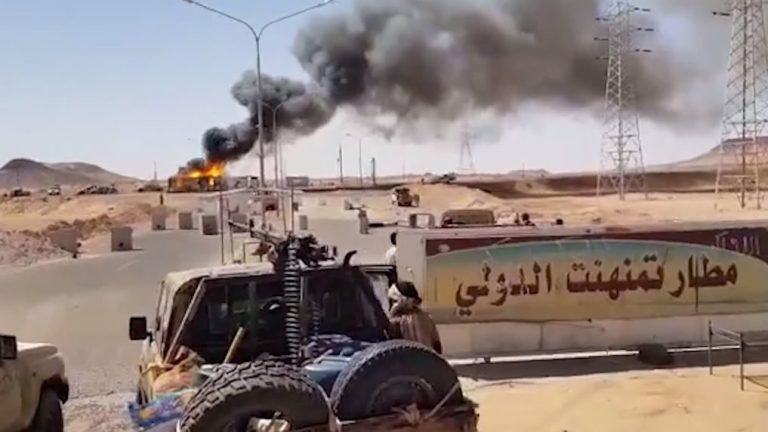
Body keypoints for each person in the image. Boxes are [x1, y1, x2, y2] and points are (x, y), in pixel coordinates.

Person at [387, 281, 443, 354]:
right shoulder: (426, 317)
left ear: (401, 301)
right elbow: (437, 345)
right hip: (428, 358)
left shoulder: (396, 321)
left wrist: (392, 313)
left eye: (394, 301)